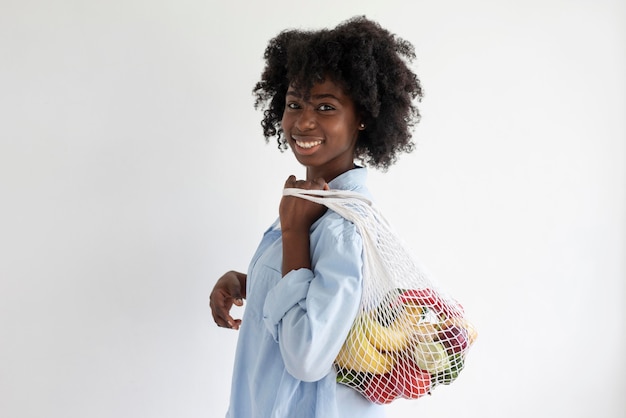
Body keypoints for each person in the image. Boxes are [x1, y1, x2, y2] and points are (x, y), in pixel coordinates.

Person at [209, 15, 423, 418]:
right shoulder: (311, 205)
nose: (304, 121)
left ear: (361, 117)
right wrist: (250, 283)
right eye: (295, 104)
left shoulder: (339, 224)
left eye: (326, 107)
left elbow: (307, 357)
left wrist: (293, 232)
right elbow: (321, 301)